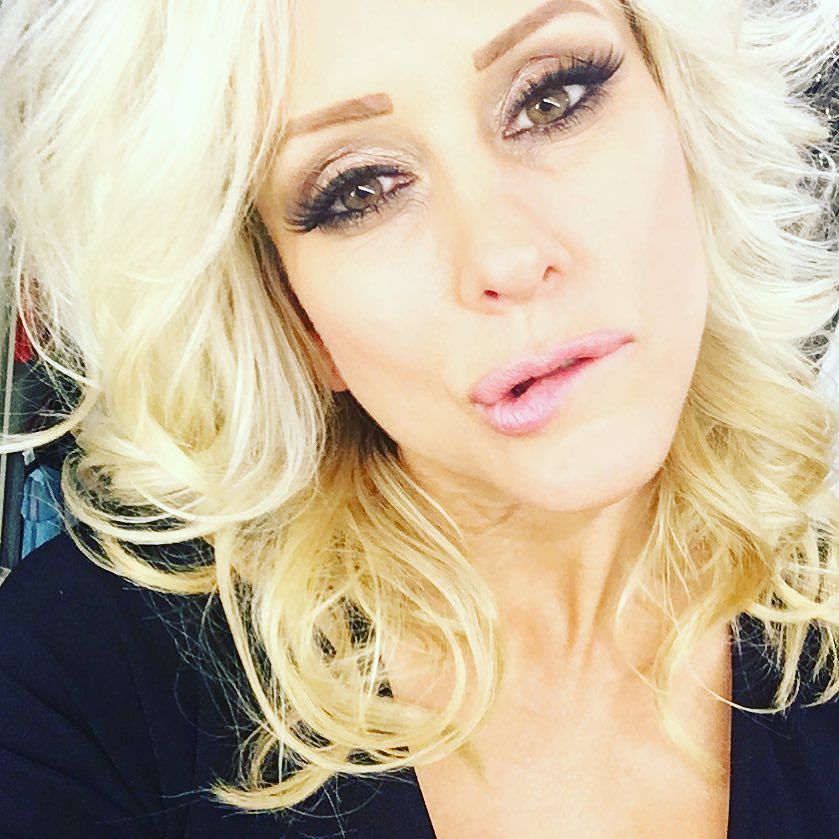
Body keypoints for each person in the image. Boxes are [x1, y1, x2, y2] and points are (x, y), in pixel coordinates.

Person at [0, 0, 837, 836]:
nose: (507, 259)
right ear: (291, 311)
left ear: (685, 117)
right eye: (360, 190)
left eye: (552, 99)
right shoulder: (73, 686)